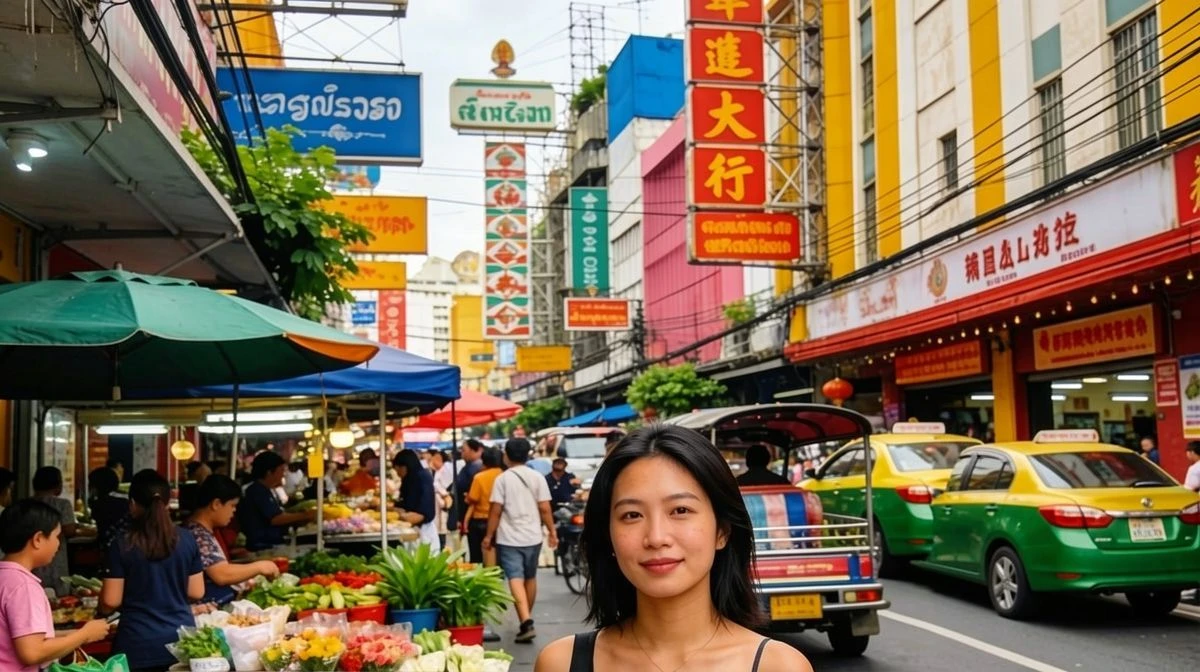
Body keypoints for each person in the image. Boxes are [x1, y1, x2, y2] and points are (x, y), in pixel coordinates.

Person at [535, 424, 812, 672]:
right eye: (632, 515)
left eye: (680, 510)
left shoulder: (779, 666)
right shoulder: (561, 663)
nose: (656, 537)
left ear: (722, 531)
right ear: (608, 536)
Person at [101, 470, 206, 670]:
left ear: (132, 504)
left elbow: (110, 601)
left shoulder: (121, 544)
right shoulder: (187, 539)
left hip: (137, 644)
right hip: (182, 642)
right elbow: (196, 591)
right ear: (167, 503)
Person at [0, 500, 110, 671]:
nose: (58, 544)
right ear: (37, 539)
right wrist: (83, 634)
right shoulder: (24, 586)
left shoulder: (6, 577)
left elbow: (24, 637)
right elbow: (32, 651)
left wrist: (76, 635)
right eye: (56, 537)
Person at [484, 438, 557, 643]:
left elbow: (495, 512)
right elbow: (545, 508)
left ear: (506, 455)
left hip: (509, 538)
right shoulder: (537, 478)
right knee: (530, 577)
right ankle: (526, 619)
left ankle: (526, 620)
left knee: (515, 577)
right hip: (533, 536)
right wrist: (552, 531)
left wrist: (489, 536)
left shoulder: (503, 479)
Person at [186, 475, 280, 608]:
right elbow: (221, 574)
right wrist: (259, 567)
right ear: (216, 504)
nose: (234, 511)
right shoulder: (197, 534)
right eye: (232, 505)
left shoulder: (203, 531)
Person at [32, 466, 94, 595]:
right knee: (59, 590)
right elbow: (69, 530)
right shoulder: (62, 504)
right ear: (58, 485)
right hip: (56, 555)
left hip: (32, 555)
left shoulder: (26, 503)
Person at [237, 452, 315, 553]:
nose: (284, 474)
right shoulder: (257, 491)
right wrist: (305, 515)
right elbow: (276, 518)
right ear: (269, 472)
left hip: (271, 542)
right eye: (281, 470)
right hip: (263, 546)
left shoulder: (265, 489)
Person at [392, 449, 440, 549]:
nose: (397, 473)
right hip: (412, 530)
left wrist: (402, 516)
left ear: (405, 466)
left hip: (423, 532)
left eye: (398, 469)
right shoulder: (408, 479)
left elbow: (424, 512)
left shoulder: (422, 477)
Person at [466, 447, 504, 566]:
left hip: (480, 519)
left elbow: (473, 499)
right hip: (500, 520)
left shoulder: (479, 477)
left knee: (477, 556)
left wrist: (466, 496)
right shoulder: (504, 475)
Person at [88, 467, 129, 555]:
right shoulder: (125, 498)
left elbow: (102, 533)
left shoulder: (101, 504)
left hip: (113, 549)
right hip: (129, 546)